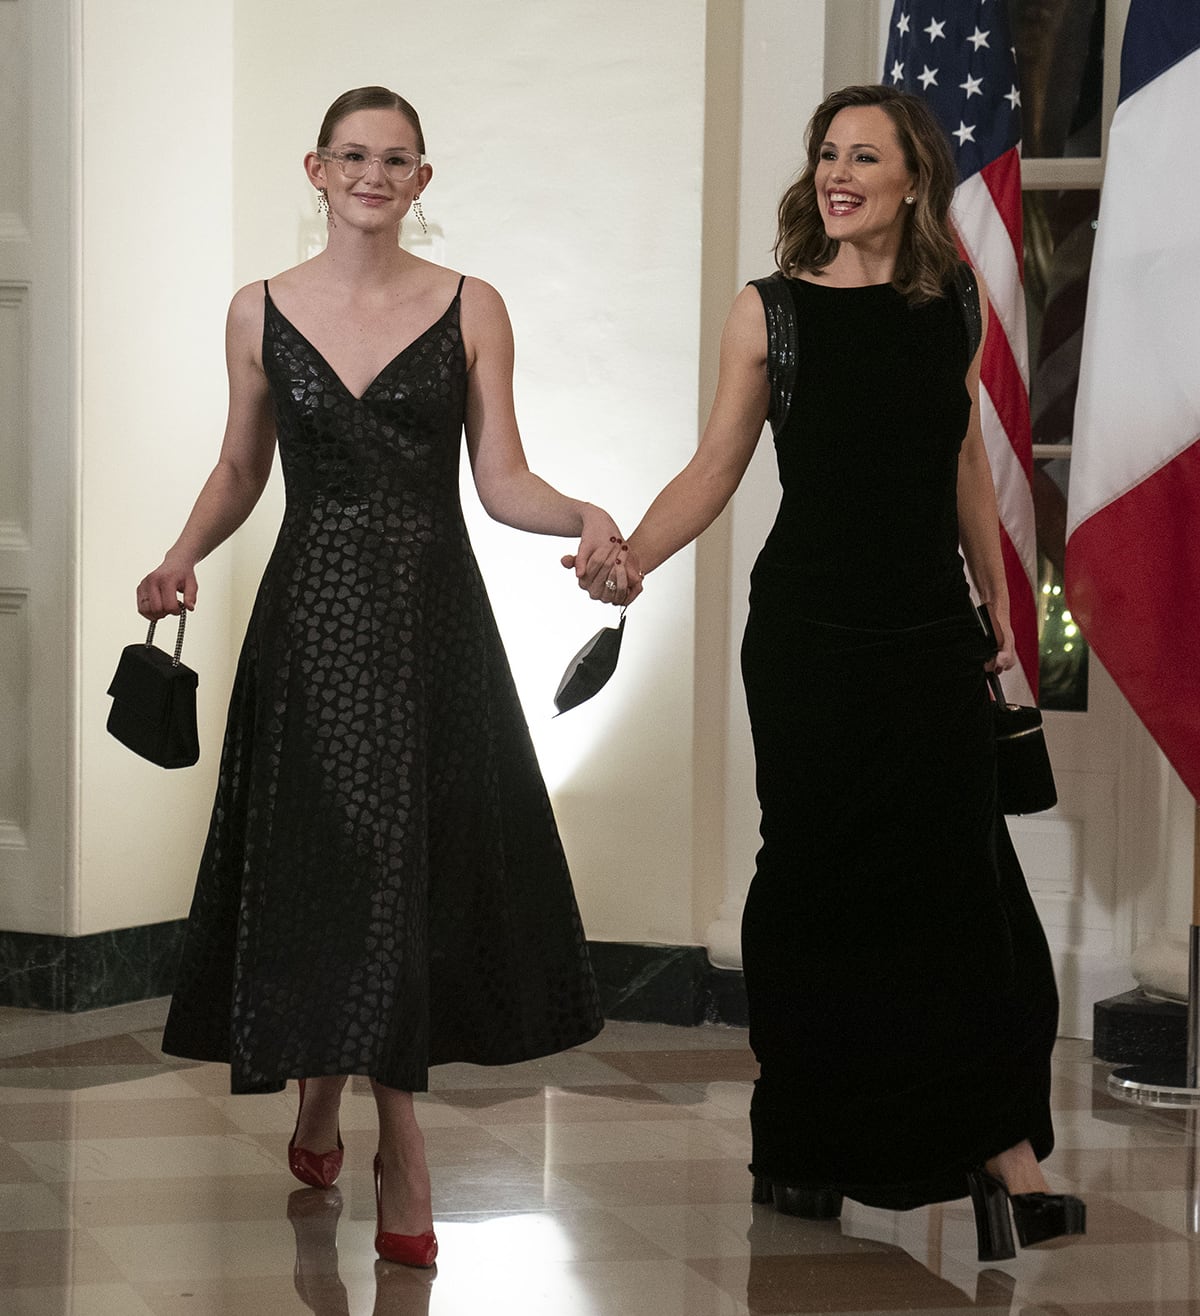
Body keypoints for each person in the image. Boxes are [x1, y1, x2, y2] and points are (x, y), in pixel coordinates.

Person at [568, 84, 1084, 1262]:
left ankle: (1005, 1146)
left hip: (925, 636)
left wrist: (995, 591)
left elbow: (957, 448)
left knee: (962, 890)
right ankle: (804, 1140)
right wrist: (632, 557)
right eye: (826, 155)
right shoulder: (769, 314)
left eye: (865, 155)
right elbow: (717, 462)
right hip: (809, 638)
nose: (838, 173)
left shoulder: (951, 300)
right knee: (816, 886)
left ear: (914, 180)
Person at [138, 85, 618, 1269]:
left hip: (429, 625)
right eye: (352, 155)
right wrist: (180, 554)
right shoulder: (257, 309)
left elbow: (502, 480)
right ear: (316, 168)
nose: (372, 173)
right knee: (329, 870)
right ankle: (333, 1100)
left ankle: (393, 1131)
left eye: (395, 158)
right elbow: (241, 464)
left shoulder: (472, 307)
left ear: (422, 181)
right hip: (308, 622)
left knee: (401, 878)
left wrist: (591, 514)